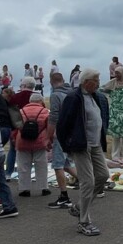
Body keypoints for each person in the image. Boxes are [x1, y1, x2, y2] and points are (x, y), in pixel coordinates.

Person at [56, 68, 110, 236]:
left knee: (102, 176)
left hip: (95, 145)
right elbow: (62, 124)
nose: (99, 84)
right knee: (88, 182)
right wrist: (68, 145)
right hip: (81, 146)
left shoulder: (95, 97)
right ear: (87, 82)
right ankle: (84, 221)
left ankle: (79, 207)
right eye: (96, 81)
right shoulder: (73, 98)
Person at [46, 70, 75, 210]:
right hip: (73, 132)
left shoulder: (55, 95)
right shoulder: (72, 93)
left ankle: (64, 196)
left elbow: (53, 117)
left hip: (61, 133)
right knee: (66, 163)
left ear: (51, 82)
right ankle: (91, 184)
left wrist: (49, 136)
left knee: (58, 165)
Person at [15, 92, 51, 198]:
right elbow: (50, 127)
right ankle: (44, 187)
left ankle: (24, 189)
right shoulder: (45, 112)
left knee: (23, 166)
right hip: (40, 142)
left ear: (29, 101)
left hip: (22, 141)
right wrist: (50, 141)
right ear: (41, 101)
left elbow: (15, 127)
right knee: (41, 165)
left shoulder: (20, 112)